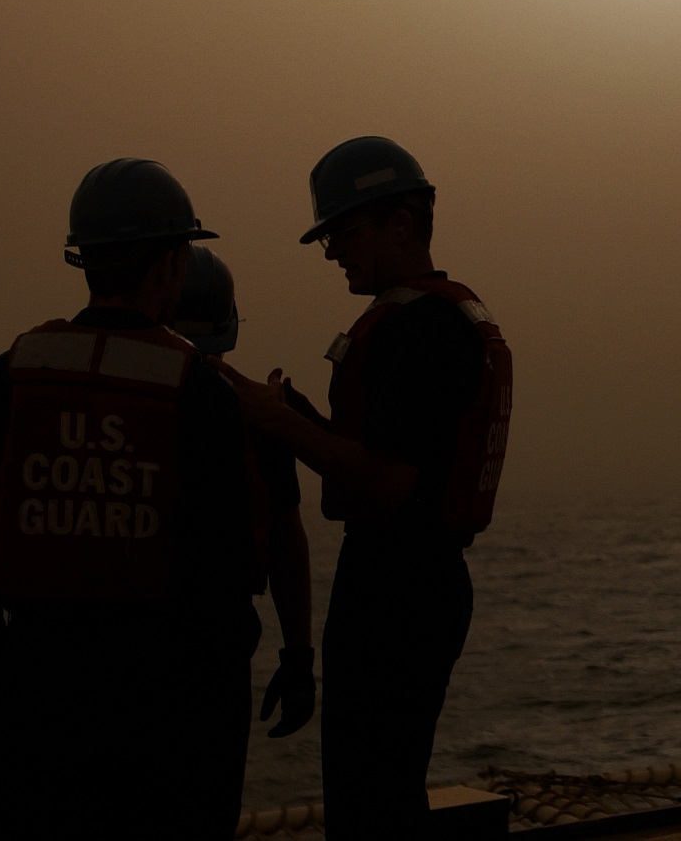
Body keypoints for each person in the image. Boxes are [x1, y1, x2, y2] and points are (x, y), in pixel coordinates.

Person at [0, 159, 259, 840]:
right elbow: (225, 590)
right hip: (163, 708)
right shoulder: (201, 394)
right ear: (173, 264)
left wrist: (6, 680)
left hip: (29, 706)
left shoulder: (3, 379)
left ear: (82, 259)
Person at [217, 136, 513, 840]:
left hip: (398, 589)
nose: (331, 251)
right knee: (379, 787)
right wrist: (297, 416)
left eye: (344, 232)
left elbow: (388, 481)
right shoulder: (436, 319)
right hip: (416, 581)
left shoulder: (419, 330)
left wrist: (277, 425)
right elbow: (384, 454)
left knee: (370, 800)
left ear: (400, 223)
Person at [172, 244, 315, 738]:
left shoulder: (103, 399)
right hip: (215, 655)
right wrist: (298, 658)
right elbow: (286, 546)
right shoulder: (255, 414)